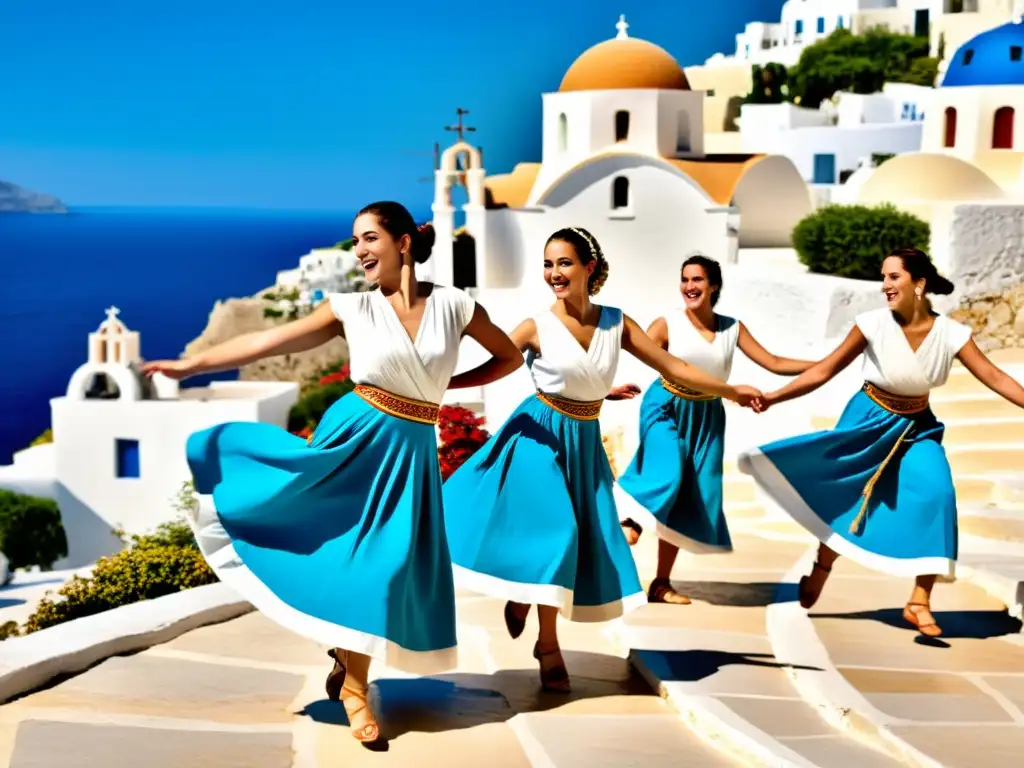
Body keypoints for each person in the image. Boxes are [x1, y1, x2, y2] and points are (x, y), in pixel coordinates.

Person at [141, 201, 523, 745]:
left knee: (388, 566)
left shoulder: (456, 305)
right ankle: (355, 692)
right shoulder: (351, 308)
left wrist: (446, 387)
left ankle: (349, 668)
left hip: (412, 448)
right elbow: (269, 341)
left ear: (405, 241)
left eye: (370, 238)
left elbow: (508, 357)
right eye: (355, 242)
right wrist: (191, 364)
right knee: (360, 561)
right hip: (356, 437)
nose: (360, 251)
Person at [441, 227, 762, 692]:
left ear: (589, 267)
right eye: (548, 264)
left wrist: (730, 389)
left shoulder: (617, 322)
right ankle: (548, 646)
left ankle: (527, 596)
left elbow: (674, 367)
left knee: (567, 538)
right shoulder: (536, 324)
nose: (554, 273)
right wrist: (445, 384)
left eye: (565, 263)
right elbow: (499, 363)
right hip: (537, 433)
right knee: (560, 532)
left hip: (583, 438)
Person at [738, 247, 1024, 637]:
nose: (885, 285)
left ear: (918, 284)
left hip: (917, 425)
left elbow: (995, 376)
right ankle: (823, 567)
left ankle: (919, 600)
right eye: (884, 277)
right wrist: (774, 397)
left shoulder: (951, 334)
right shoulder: (871, 324)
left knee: (938, 494)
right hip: (867, 418)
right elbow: (824, 370)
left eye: (894, 277)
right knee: (853, 499)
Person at [614, 253, 814, 604]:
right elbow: (631, 350)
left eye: (697, 280)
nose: (689, 287)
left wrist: (832, 362)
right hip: (665, 406)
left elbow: (775, 362)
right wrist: (606, 388)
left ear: (714, 286)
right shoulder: (667, 324)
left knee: (688, 496)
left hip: (707, 415)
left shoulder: (731, 328)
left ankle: (661, 584)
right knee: (669, 468)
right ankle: (630, 521)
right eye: (685, 279)